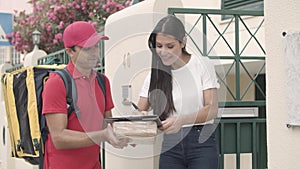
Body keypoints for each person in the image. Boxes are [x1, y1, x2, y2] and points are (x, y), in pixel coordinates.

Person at [42, 21, 129, 169]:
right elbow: (59, 138)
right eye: (87, 48)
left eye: (96, 46)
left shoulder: (103, 81)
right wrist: (102, 135)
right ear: (70, 51)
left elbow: (107, 124)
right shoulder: (56, 84)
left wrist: (131, 130)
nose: (95, 52)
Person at [137, 15, 220, 169]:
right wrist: (140, 119)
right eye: (159, 46)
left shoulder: (202, 65)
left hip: (201, 142)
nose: (163, 51)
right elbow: (139, 110)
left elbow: (212, 109)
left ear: (183, 42)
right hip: (170, 144)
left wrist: (182, 120)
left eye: (170, 46)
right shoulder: (155, 74)